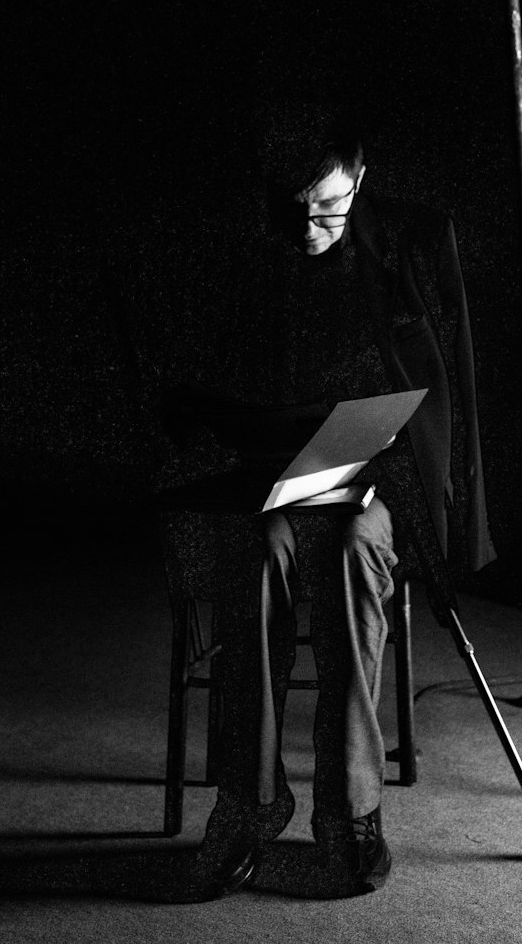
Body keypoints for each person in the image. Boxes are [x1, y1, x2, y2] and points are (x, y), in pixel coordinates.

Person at [160, 99, 494, 898]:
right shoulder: (246, 250)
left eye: (330, 207)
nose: (312, 226)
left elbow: (451, 397)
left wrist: (395, 471)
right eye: (296, 210)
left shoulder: (411, 241)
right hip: (269, 481)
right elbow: (197, 392)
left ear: (361, 175)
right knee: (256, 552)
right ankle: (248, 806)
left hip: (379, 482)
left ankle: (350, 816)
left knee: (348, 555)